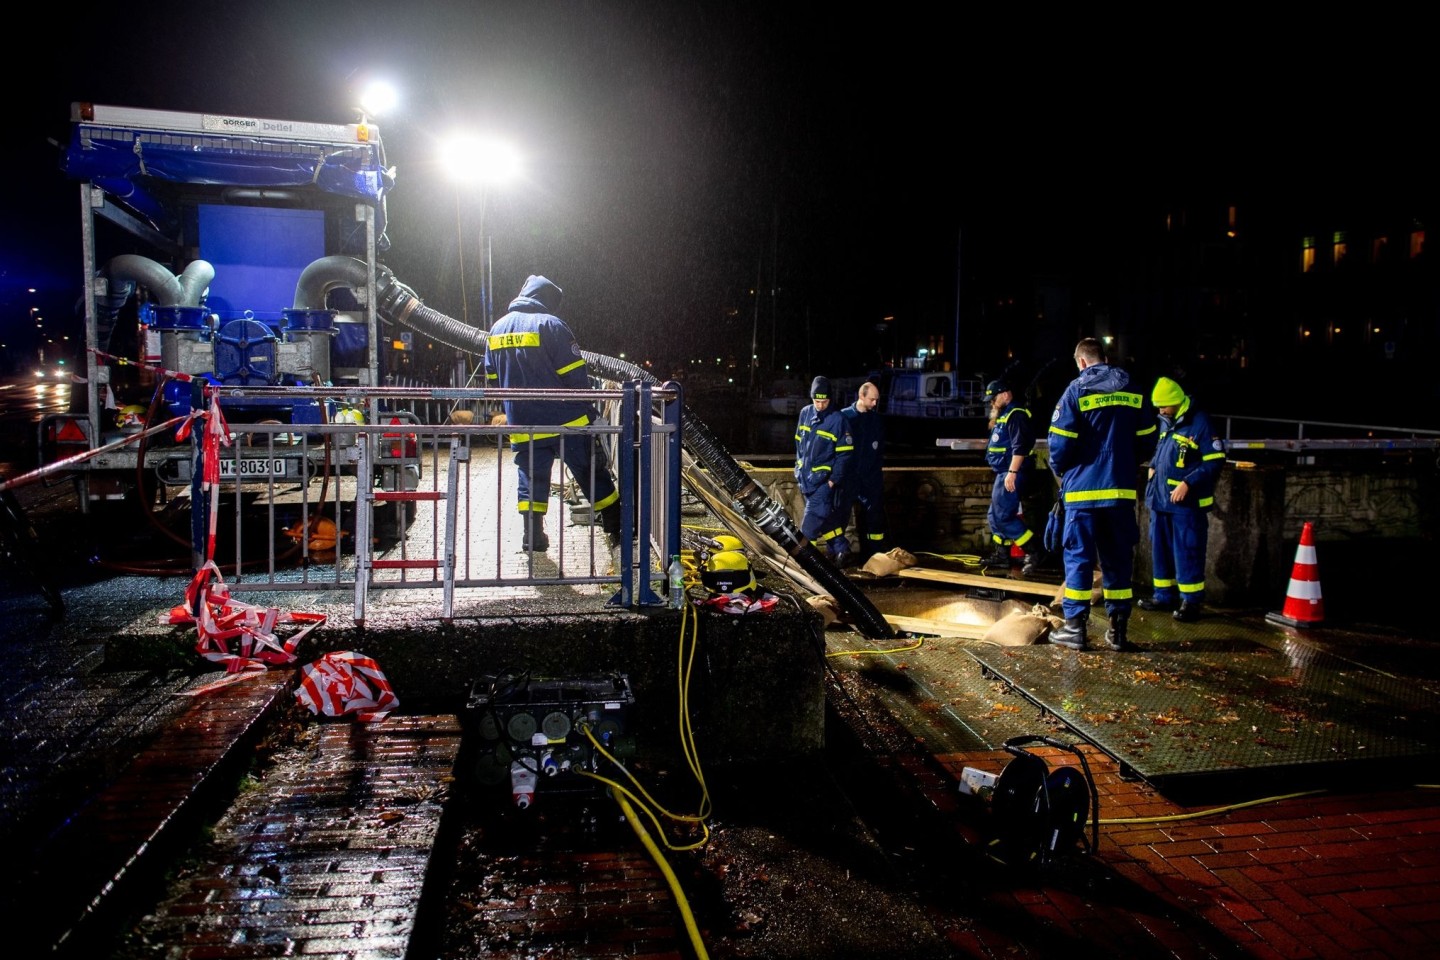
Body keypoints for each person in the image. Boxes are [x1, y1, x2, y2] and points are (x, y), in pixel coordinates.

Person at [484, 275, 620, 553]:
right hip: (566, 420)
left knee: (531, 478)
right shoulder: (552, 325)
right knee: (590, 471)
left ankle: (532, 537)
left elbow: (492, 378)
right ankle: (615, 527)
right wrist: (588, 409)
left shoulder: (496, 329)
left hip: (523, 422)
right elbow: (575, 378)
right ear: (547, 300)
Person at [1046, 339, 1156, 651]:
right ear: (1104, 359)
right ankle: (1118, 633)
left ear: (1081, 362)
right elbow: (1149, 439)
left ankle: (1075, 630)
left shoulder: (1075, 391)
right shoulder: (1134, 390)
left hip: (1083, 492)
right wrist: (1125, 463)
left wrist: (1064, 470)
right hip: (1120, 491)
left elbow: (1060, 444)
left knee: (1079, 558)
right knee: (1118, 559)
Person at [1137, 376, 1225, 622]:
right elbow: (1163, 451)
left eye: (1163, 406)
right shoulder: (1166, 421)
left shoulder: (1200, 423)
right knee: (1161, 550)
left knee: (1188, 551)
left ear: (1175, 402)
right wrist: (1154, 466)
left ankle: (1191, 601)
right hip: (1160, 501)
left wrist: (1189, 482)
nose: (1160, 410)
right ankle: (1163, 595)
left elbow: (1215, 460)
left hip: (1185, 504)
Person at [979, 378, 1049, 574]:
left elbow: (1020, 447)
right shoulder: (1004, 415)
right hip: (1004, 472)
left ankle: (1034, 551)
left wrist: (1012, 473)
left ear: (1005, 394)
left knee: (1003, 516)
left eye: (994, 399)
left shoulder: (1016, 415)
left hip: (1012, 472)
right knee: (995, 515)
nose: (992, 403)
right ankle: (1002, 556)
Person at [794, 375, 854, 565]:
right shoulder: (805, 413)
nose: (820, 405)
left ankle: (808, 563)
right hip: (806, 479)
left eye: (824, 401)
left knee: (809, 526)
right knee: (827, 518)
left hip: (824, 482)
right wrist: (798, 468)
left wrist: (833, 479)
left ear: (830, 399)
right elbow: (798, 443)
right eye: (817, 401)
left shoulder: (838, 420)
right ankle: (842, 550)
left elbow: (845, 454)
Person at [839, 381, 887, 562]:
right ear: (861, 396)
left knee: (874, 519)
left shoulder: (876, 420)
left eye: (877, 400)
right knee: (841, 517)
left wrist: (876, 478)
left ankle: (874, 554)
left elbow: (879, 450)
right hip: (849, 478)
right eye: (872, 399)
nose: (875, 403)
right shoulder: (844, 417)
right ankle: (839, 554)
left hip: (870, 479)